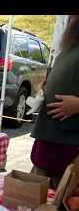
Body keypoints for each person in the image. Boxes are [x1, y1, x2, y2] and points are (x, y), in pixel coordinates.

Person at [30, 15, 79, 189]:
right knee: (31, 204)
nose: (72, 19)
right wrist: (48, 82)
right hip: (49, 142)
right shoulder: (70, 46)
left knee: (62, 210)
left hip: (70, 149)